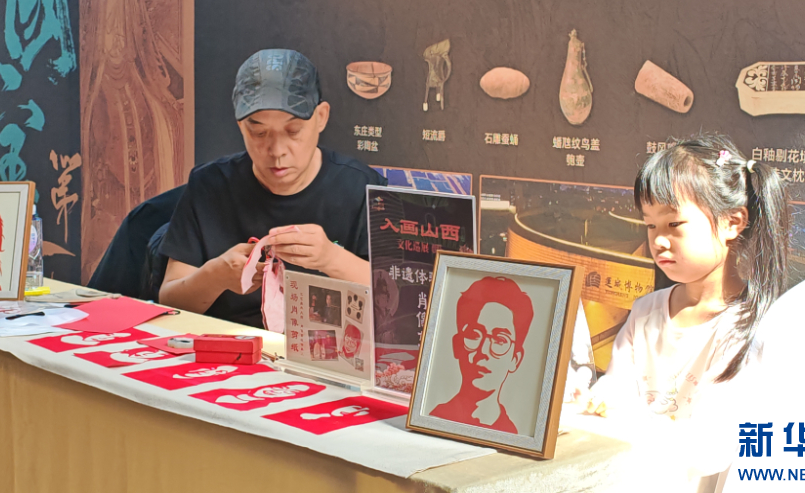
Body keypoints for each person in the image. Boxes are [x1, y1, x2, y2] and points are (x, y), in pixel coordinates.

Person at [158, 49, 386, 328]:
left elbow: (396, 300)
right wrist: (216, 275)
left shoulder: (363, 189)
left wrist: (331, 258)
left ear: (321, 117)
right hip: (228, 342)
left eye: (293, 131)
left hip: (328, 347)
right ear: (241, 126)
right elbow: (169, 301)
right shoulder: (209, 185)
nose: (277, 151)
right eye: (259, 132)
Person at [586, 133, 790, 421]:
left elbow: (716, 432)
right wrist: (598, 398)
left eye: (673, 223)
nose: (658, 240)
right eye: (650, 225)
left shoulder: (751, 327)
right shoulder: (645, 311)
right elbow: (615, 387)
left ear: (732, 222)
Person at [429, 276, 533, 433]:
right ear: (457, 345)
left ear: (515, 359)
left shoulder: (513, 435)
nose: (483, 351)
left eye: (500, 340)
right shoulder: (433, 419)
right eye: (474, 335)